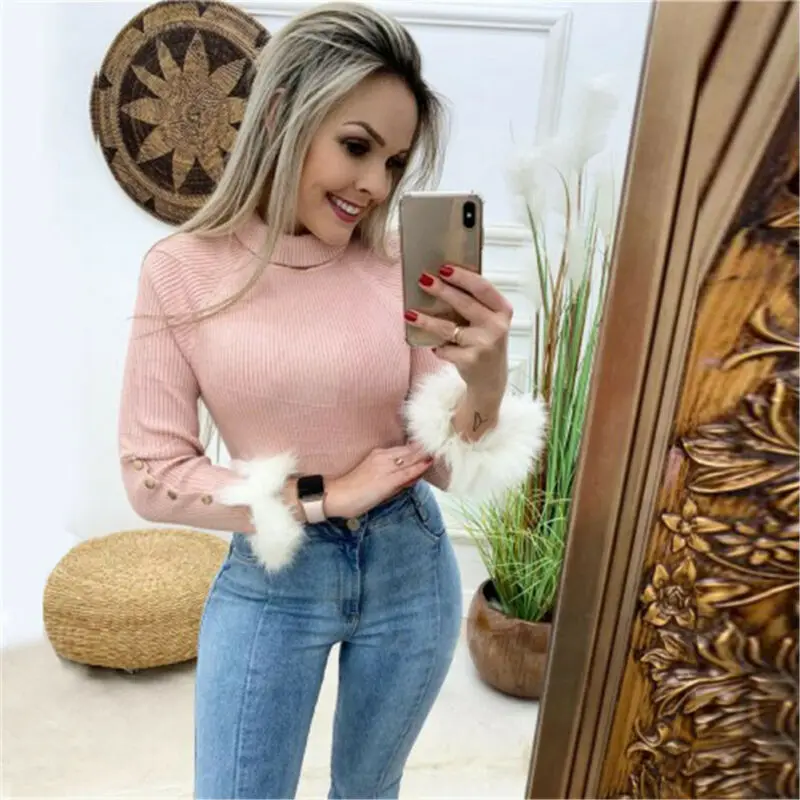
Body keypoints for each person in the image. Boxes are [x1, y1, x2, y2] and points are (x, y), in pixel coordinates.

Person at [118, 3, 546, 798]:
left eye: (394, 161)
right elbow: (152, 471)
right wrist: (323, 495)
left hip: (409, 565)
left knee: (368, 791)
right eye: (356, 146)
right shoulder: (180, 271)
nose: (375, 185)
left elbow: (447, 465)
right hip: (274, 576)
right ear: (282, 115)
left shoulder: (395, 268)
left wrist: (486, 380)